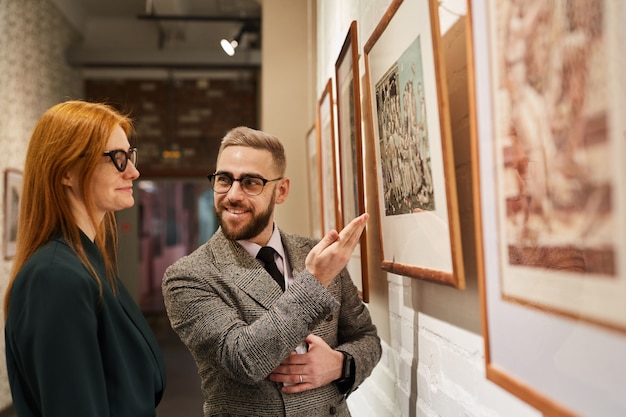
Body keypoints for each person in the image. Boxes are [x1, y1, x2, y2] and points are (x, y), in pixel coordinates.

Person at [162, 126, 381, 417]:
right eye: (224, 179)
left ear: (281, 190)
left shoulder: (316, 253)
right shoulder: (188, 276)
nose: (233, 195)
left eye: (251, 182)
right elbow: (244, 359)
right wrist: (314, 281)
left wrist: (341, 364)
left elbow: (366, 337)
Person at [4, 100, 166, 417]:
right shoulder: (56, 276)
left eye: (130, 156)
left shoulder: (87, 263)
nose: (133, 171)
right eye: (117, 158)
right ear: (67, 171)